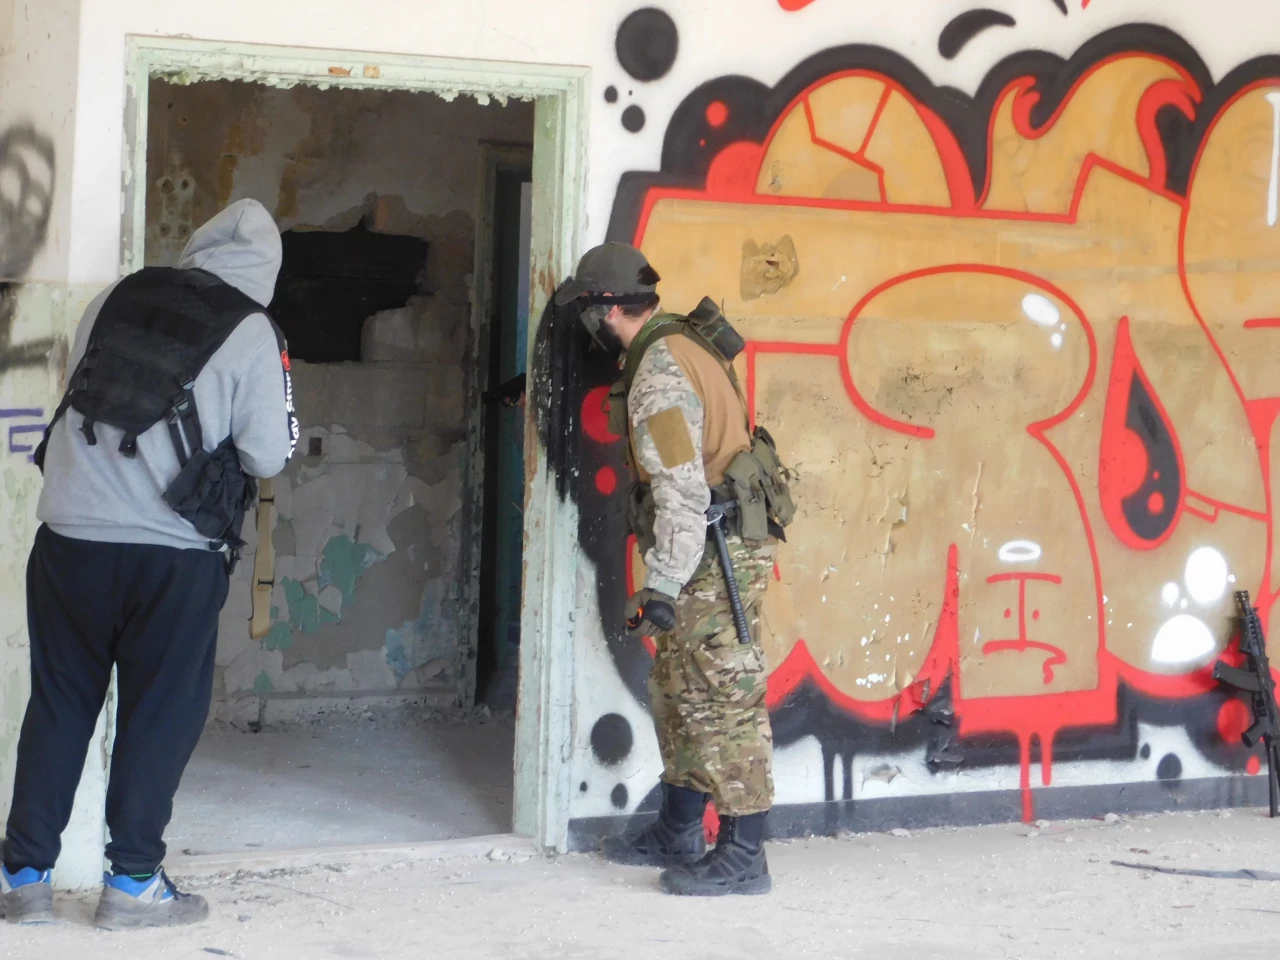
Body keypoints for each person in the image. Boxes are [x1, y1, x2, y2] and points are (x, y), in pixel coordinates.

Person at [0, 199, 298, 929]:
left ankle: (22, 877)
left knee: (61, 701)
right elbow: (267, 454)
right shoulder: (253, 329)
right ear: (267, 273)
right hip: (173, 556)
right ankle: (133, 884)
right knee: (158, 712)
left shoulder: (115, 296)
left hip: (69, 539)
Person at [556, 242, 792, 897]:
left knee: (723, 697)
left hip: (712, 549)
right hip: (711, 543)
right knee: (679, 689)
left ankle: (744, 854)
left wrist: (661, 583)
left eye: (588, 308)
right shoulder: (682, 340)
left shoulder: (659, 373)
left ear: (608, 309)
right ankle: (679, 829)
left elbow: (682, 491)